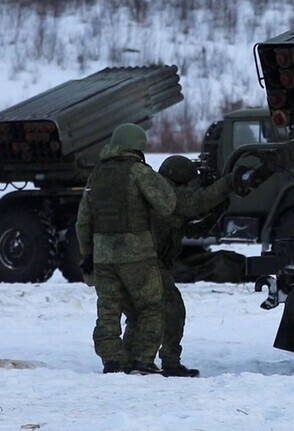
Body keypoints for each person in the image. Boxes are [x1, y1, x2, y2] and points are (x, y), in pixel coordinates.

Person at [76, 123, 177, 375]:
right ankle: (143, 360)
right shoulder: (138, 171)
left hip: (103, 255)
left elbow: (83, 220)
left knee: (108, 310)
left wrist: (88, 254)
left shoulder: (96, 175)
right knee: (151, 307)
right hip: (137, 254)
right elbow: (167, 205)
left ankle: (112, 361)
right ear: (137, 146)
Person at [123, 154, 236, 377]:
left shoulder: (161, 196)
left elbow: (195, 230)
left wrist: (220, 206)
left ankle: (130, 360)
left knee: (140, 313)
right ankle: (168, 362)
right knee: (173, 311)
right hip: (148, 262)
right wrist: (228, 183)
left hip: (143, 262)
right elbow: (197, 202)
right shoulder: (168, 194)